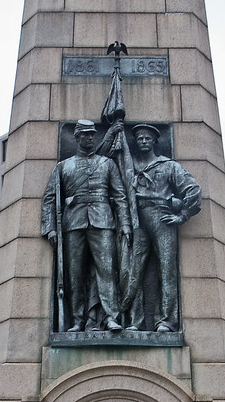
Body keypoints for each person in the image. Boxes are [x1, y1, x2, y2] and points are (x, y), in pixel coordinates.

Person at [41, 120, 131, 332]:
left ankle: (110, 317)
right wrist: (50, 227)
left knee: (107, 271)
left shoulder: (107, 164)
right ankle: (78, 320)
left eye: (92, 135)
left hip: (102, 221)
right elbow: (49, 198)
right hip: (73, 223)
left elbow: (120, 196)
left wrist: (125, 223)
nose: (90, 138)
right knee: (75, 275)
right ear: (77, 137)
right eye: (86, 135)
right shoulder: (63, 167)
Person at [123, 124, 202, 332]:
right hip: (138, 219)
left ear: (155, 141)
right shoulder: (130, 167)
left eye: (147, 138)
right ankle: (134, 320)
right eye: (139, 138)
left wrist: (183, 215)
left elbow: (193, 190)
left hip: (162, 218)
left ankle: (166, 320)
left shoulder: (168, 166)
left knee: (166, 270)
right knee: (134, 271)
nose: (143, 141)